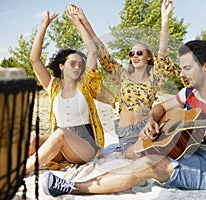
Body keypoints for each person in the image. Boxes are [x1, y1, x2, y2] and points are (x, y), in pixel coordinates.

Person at [42, 40, 206, 196]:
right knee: (141, 153)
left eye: (187, 68)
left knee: (149, 162)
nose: (181, 74)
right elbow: (160, 107)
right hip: (189, 154)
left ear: (205, 66)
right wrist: (151, 119)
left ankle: (75, 188)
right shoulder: (189, 93)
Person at [66, 1, 177, 158]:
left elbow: (163, 50)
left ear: (148, 57)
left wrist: (165, 19)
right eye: (132, 54)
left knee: (142, 158)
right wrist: (83, 20)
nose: (135, 56)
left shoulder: (154, 78)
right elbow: (100, 49)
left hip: (144, 131)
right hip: (125, 134)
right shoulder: (122, 76)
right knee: (134, 157)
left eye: (139, 53)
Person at [26, 8, 105, 173]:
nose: (78, 67)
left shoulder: (85, 84)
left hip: (85, 146)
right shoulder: (53, 86)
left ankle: (20, 171)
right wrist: (43, 26)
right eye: (72, 63)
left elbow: (93, 51)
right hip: (62, 145)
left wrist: (78, 22)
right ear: (61, 66)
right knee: (32, 139)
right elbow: (34, 60)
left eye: (80, 64)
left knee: (61, 134)